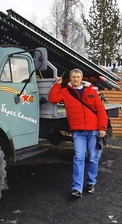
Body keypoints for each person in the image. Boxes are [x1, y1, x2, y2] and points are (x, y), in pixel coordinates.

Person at [48, 68, 107, 198]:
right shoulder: (65, 92)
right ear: (70, 78)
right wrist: (57, 84)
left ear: (81, 79)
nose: (75, 79)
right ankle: (76, 188)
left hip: (93, 131)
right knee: (79, 158)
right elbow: (52, 98)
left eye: (78, 77)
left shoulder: (91, 91)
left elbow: (101, 110)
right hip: (78, 132)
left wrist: (102, 128)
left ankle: (91, 183)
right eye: (73, 77)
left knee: (92, 157)